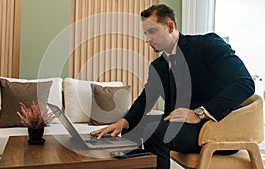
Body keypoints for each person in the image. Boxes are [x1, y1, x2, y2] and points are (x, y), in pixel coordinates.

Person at [90, 4, 255, 169]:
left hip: (215, 128)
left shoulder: (207, 45)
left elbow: (245, 83)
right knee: (132, 128)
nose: (147, 39)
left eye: (152, 31)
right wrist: (123, 122)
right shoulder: (159, 65)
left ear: (170, 27)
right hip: (183, 125)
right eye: (145, 33)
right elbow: (146, 98)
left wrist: (200, 112)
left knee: (156, 132)